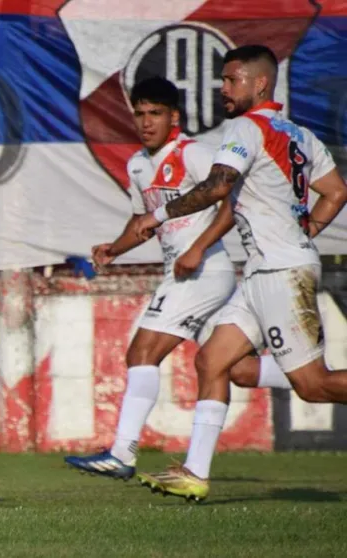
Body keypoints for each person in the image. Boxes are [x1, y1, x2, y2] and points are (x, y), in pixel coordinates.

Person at [132, 45, 347, 501]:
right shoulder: (299, 134)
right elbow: (336, 191)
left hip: (281, 272)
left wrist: (157, 216)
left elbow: (216, 186)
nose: (224, 89)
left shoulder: (246, 128)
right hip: (265, 270)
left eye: (232, 81)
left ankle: (193, 468)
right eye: (223, 81)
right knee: (213, 361)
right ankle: (194, 472)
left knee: (312, 386)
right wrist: (304, 229)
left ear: (260, 83)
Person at [64, 77, 289, 483]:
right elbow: (143, 221)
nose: (146, 122)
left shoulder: (195, 154)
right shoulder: (137, 164)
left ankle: (122, 454)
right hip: (186, 271)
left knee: (142, 351)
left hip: (203, 271)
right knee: (236, 369)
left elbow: (230, 200)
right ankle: (321, 380)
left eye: (155, 114)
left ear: (174, 118)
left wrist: (198, 247)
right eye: (140, 114)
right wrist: (115, 249)